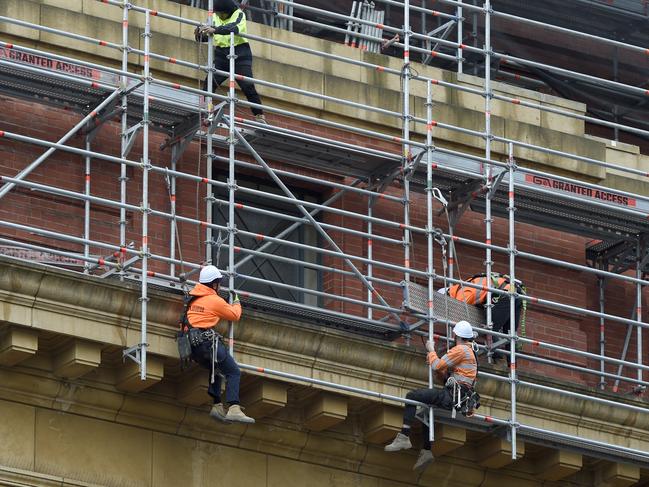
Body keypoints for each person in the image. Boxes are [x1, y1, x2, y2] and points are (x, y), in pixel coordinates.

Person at [384, 320, 478, 471]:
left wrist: (431, 349)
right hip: (457, 397)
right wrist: (438, 367)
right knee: (426, 410)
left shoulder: (461, 349)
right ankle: (426, 450)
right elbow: (446, 374)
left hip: (451, 396)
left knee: (412, 396)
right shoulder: (470, 352)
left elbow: (437, 365)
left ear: (456, 335)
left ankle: (404, 436)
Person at [185, 265, 255, 424]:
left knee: (215, 369)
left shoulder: (192, 298)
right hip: (206, 343)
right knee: (233, 372)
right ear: (214, 284)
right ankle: (234, 408)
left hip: (191, 346)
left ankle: (217, 405)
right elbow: (234, 315)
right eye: (219, 283)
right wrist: (236, 300)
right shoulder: (214, 300)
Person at [194, 0, 267, 123]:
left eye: (223, 14)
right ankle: (206, 110)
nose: (220, 16)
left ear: (229, 11)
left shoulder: (239, 14)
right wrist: (199, 33)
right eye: (219, 14)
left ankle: (259, 115)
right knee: (210, 81)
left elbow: (234, 28)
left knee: (247, 86)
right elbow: (208, 34)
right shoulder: (214, 17)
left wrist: (215, 30)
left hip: (240, 53)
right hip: (222, 54)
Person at [447, 272, 523, 340]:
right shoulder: (469, 283)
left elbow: (458, 313)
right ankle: (511, 356)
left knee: (490, 331)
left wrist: (456, 341)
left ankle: (497, 356)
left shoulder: (462, 291)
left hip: (505, 295)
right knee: (510, 335)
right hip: (514, 293)